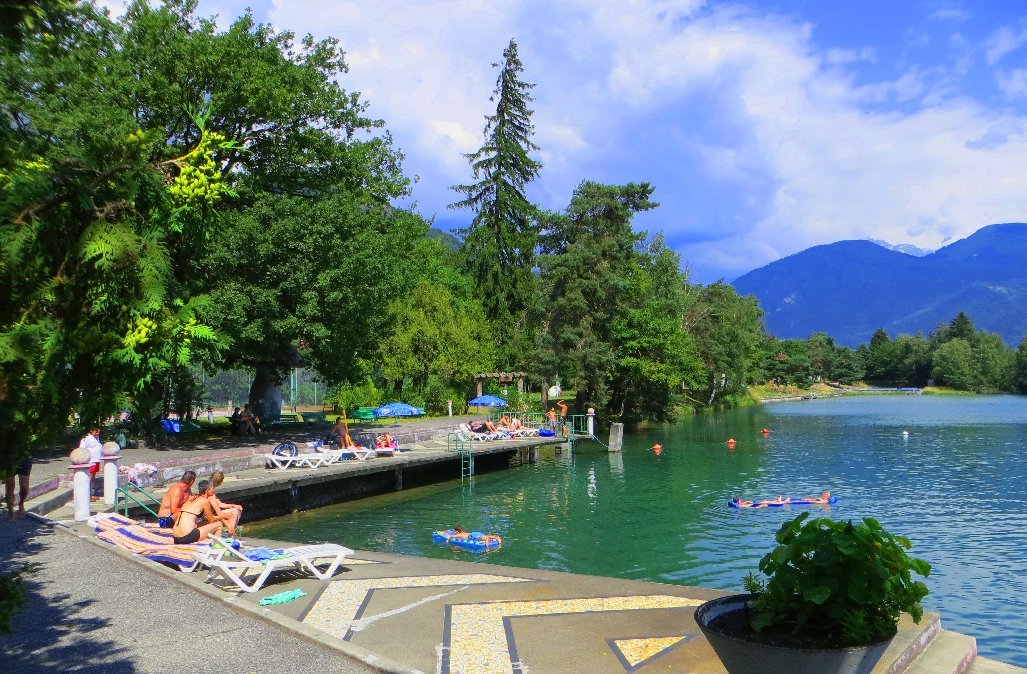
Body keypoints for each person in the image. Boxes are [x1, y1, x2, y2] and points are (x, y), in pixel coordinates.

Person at [172, 479, 229, 544]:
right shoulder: (205, 501)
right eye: (212, 489)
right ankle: (216, 546)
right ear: (207, 491)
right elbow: (211, 520)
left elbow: (205, 518)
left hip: (176, 538)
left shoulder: (192, 498)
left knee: (204, 523)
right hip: (186, 537)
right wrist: (224, 516)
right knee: (219, 524)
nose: (213, 491)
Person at [208, 470, 243, 537]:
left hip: (214, 513)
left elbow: (220, 504)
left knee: (237, 509)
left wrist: (233, 505)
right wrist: (229, 526)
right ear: (220, 482)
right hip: (210, 516)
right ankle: (231, 532)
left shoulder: (211, 489)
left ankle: (231, 531)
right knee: (234, 511)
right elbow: (218, 511)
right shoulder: (210, 491)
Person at [79, 427, 103, 500]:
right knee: (89, 477)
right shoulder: (86, 439)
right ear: (91, 431)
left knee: (92, 478)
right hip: (91, 461)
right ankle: (87, 496)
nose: (98, 433)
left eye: (99, 432)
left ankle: (90, 494)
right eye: (96, 432)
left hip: (97, 460)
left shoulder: (97, 438)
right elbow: (82, 449)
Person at [4, 456, 32, 521]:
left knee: (25, 488)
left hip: (24, 458)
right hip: (9, 458)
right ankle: (10, 512)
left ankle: (21, 503)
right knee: (10, 486)